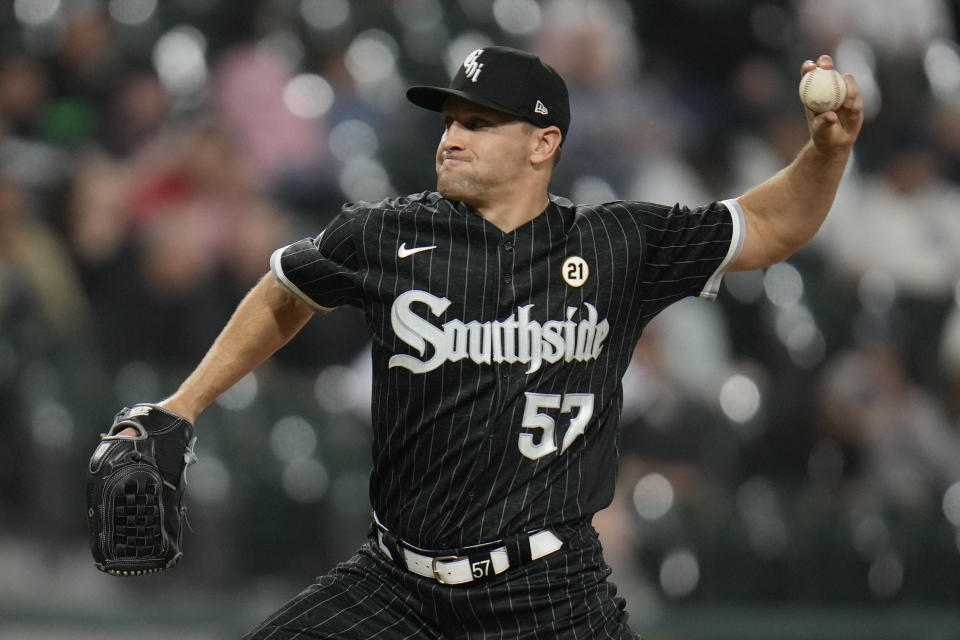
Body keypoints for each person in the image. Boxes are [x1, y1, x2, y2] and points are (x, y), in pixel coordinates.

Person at [112, 47, 862, 638]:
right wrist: (182, 407)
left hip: (547, 597)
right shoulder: (386, 232)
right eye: (449, 122)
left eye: (477, 123)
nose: (451, 138)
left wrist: (826, 153)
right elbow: (285, 290)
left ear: (543, 144)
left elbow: (767, 226)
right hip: (393, 586)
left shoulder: (614, 245)